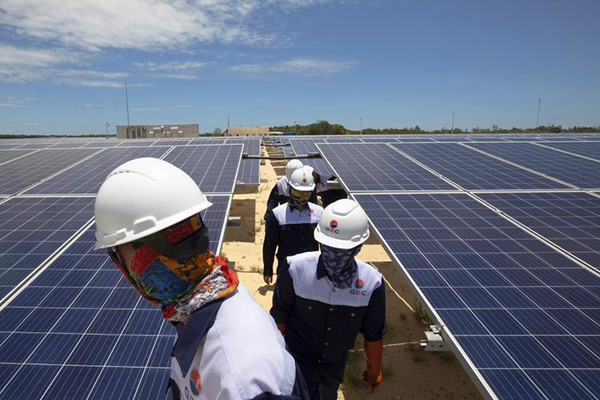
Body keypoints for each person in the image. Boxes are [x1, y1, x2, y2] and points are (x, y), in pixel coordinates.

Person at [94, 158, 308, 400]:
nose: (126, 270)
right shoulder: (205, 306)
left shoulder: (241, 376)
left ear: (152, 253)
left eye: (120, 254)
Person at [270, 199, 386, 399]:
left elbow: (373, 336)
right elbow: (279, 318)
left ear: (358, 248)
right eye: (330, 247)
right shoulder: (296, 270)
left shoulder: (371, 284)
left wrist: (373, 371)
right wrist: (277, 363)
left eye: (342, 249)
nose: (334, 255)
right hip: (298, 362)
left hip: (333, 368)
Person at [263, 167, 323, 285]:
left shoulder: (319, 213)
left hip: (311, 270)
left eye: (306, 193)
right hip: (286, 270)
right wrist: (268, 270)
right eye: (299, 192)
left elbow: (325, 245)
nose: (302, 196)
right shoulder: (277, 214)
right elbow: (270, 244)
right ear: (290, 189)